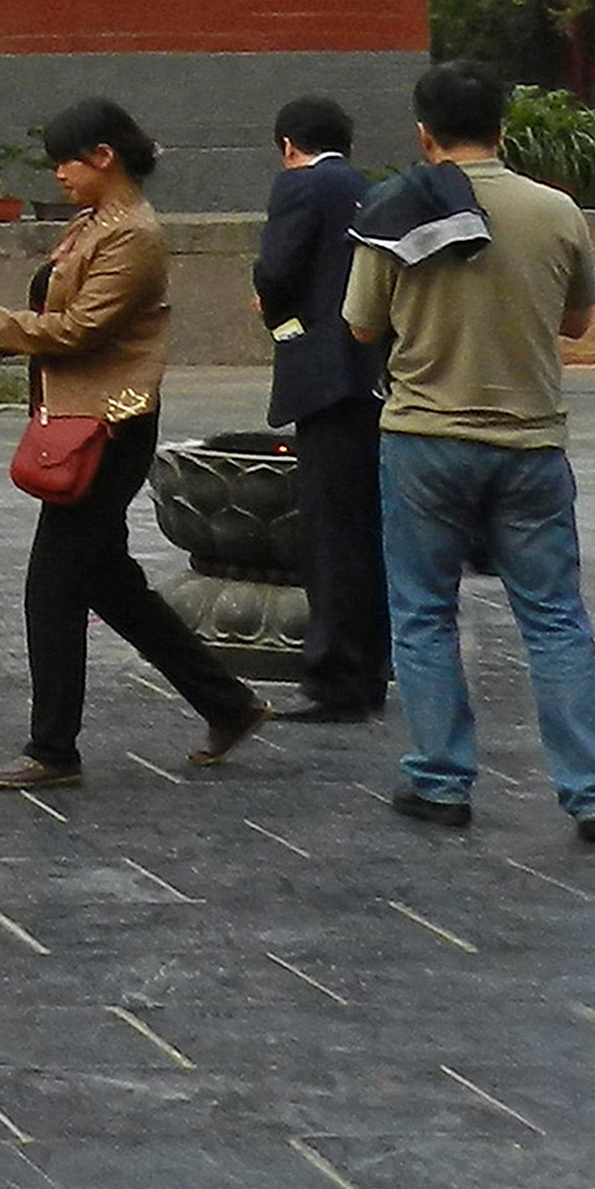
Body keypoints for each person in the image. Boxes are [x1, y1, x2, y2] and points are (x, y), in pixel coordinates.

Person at [0, 97, 266, 792]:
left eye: (67, 160)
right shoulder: (95, 224)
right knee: (109, 582)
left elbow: (81, 329)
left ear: (104, 157)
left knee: (52, 586)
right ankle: (227, 702)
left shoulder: (133, 236)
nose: (59, 175)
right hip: (85, 414)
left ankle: (54, 747)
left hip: (110, 423)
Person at [342, 60, 595, 843]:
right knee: (555, 617)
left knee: (425, 613)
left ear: (423, 133)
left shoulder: (391, 209)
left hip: (425, 437)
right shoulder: (557, 209)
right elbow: (578, 324)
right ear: (505, 127)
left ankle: (440, 780)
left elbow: (363, 327)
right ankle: (594, 791)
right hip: (531, 440)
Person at [256, 95, 389, 723]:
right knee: (367, 528)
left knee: (330, 531)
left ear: (288, 145)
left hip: (325, 375)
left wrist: (280, 326)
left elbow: (275, 272)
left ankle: (334, 675)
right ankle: (371, 666)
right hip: (373, 375)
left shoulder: (300, 187)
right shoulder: (370, 188)